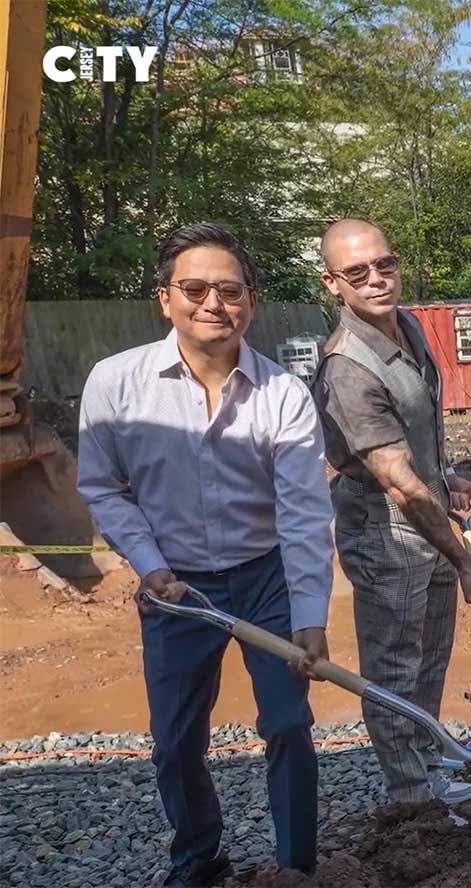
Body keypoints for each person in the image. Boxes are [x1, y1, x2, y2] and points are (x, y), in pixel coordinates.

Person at [76, 222, 334, 886]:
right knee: (175, 740)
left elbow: (304, 510)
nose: (212, 302)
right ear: (166, 298)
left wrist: (310, 613)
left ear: (251, 300)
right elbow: (102, 486)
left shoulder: (283, 395)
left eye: (230, 289)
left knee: (287, 723)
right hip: (175, 587)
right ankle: (197, 855)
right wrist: (146, 561)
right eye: (194, 288)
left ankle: (295, 866)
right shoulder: (116, 385)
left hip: (267, 578)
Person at [310, 219, 471, 807]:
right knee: (394, 665)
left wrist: (447, 477)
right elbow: (394, 479)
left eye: (384, 265)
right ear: (332, 282)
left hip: (428, 513)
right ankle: (410, 796)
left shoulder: (410, 327)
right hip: (387, 532)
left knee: (431, 657)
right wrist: (466, 562)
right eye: (357, 273)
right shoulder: (348, 367)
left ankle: (426, 761)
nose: (375, 279)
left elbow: (414, 445)